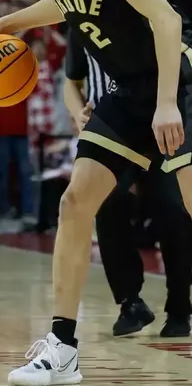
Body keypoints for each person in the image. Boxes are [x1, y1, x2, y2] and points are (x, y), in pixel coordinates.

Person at [0, 0, 192, 386]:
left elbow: (166, 16)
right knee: (75, 201)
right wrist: (9, 22)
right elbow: (67, 3)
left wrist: (166, 103)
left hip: (174, 83)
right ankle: (62, 347)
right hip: (125, 97)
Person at [64, 26, 192, 338]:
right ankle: (129, 302)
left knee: (173, 208)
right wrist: (76, 112)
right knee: (107, 202)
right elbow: (71, 81)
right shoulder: (79, 16)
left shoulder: (151, 8)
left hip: (158, 124)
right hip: (113, 126)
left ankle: (179, 307)